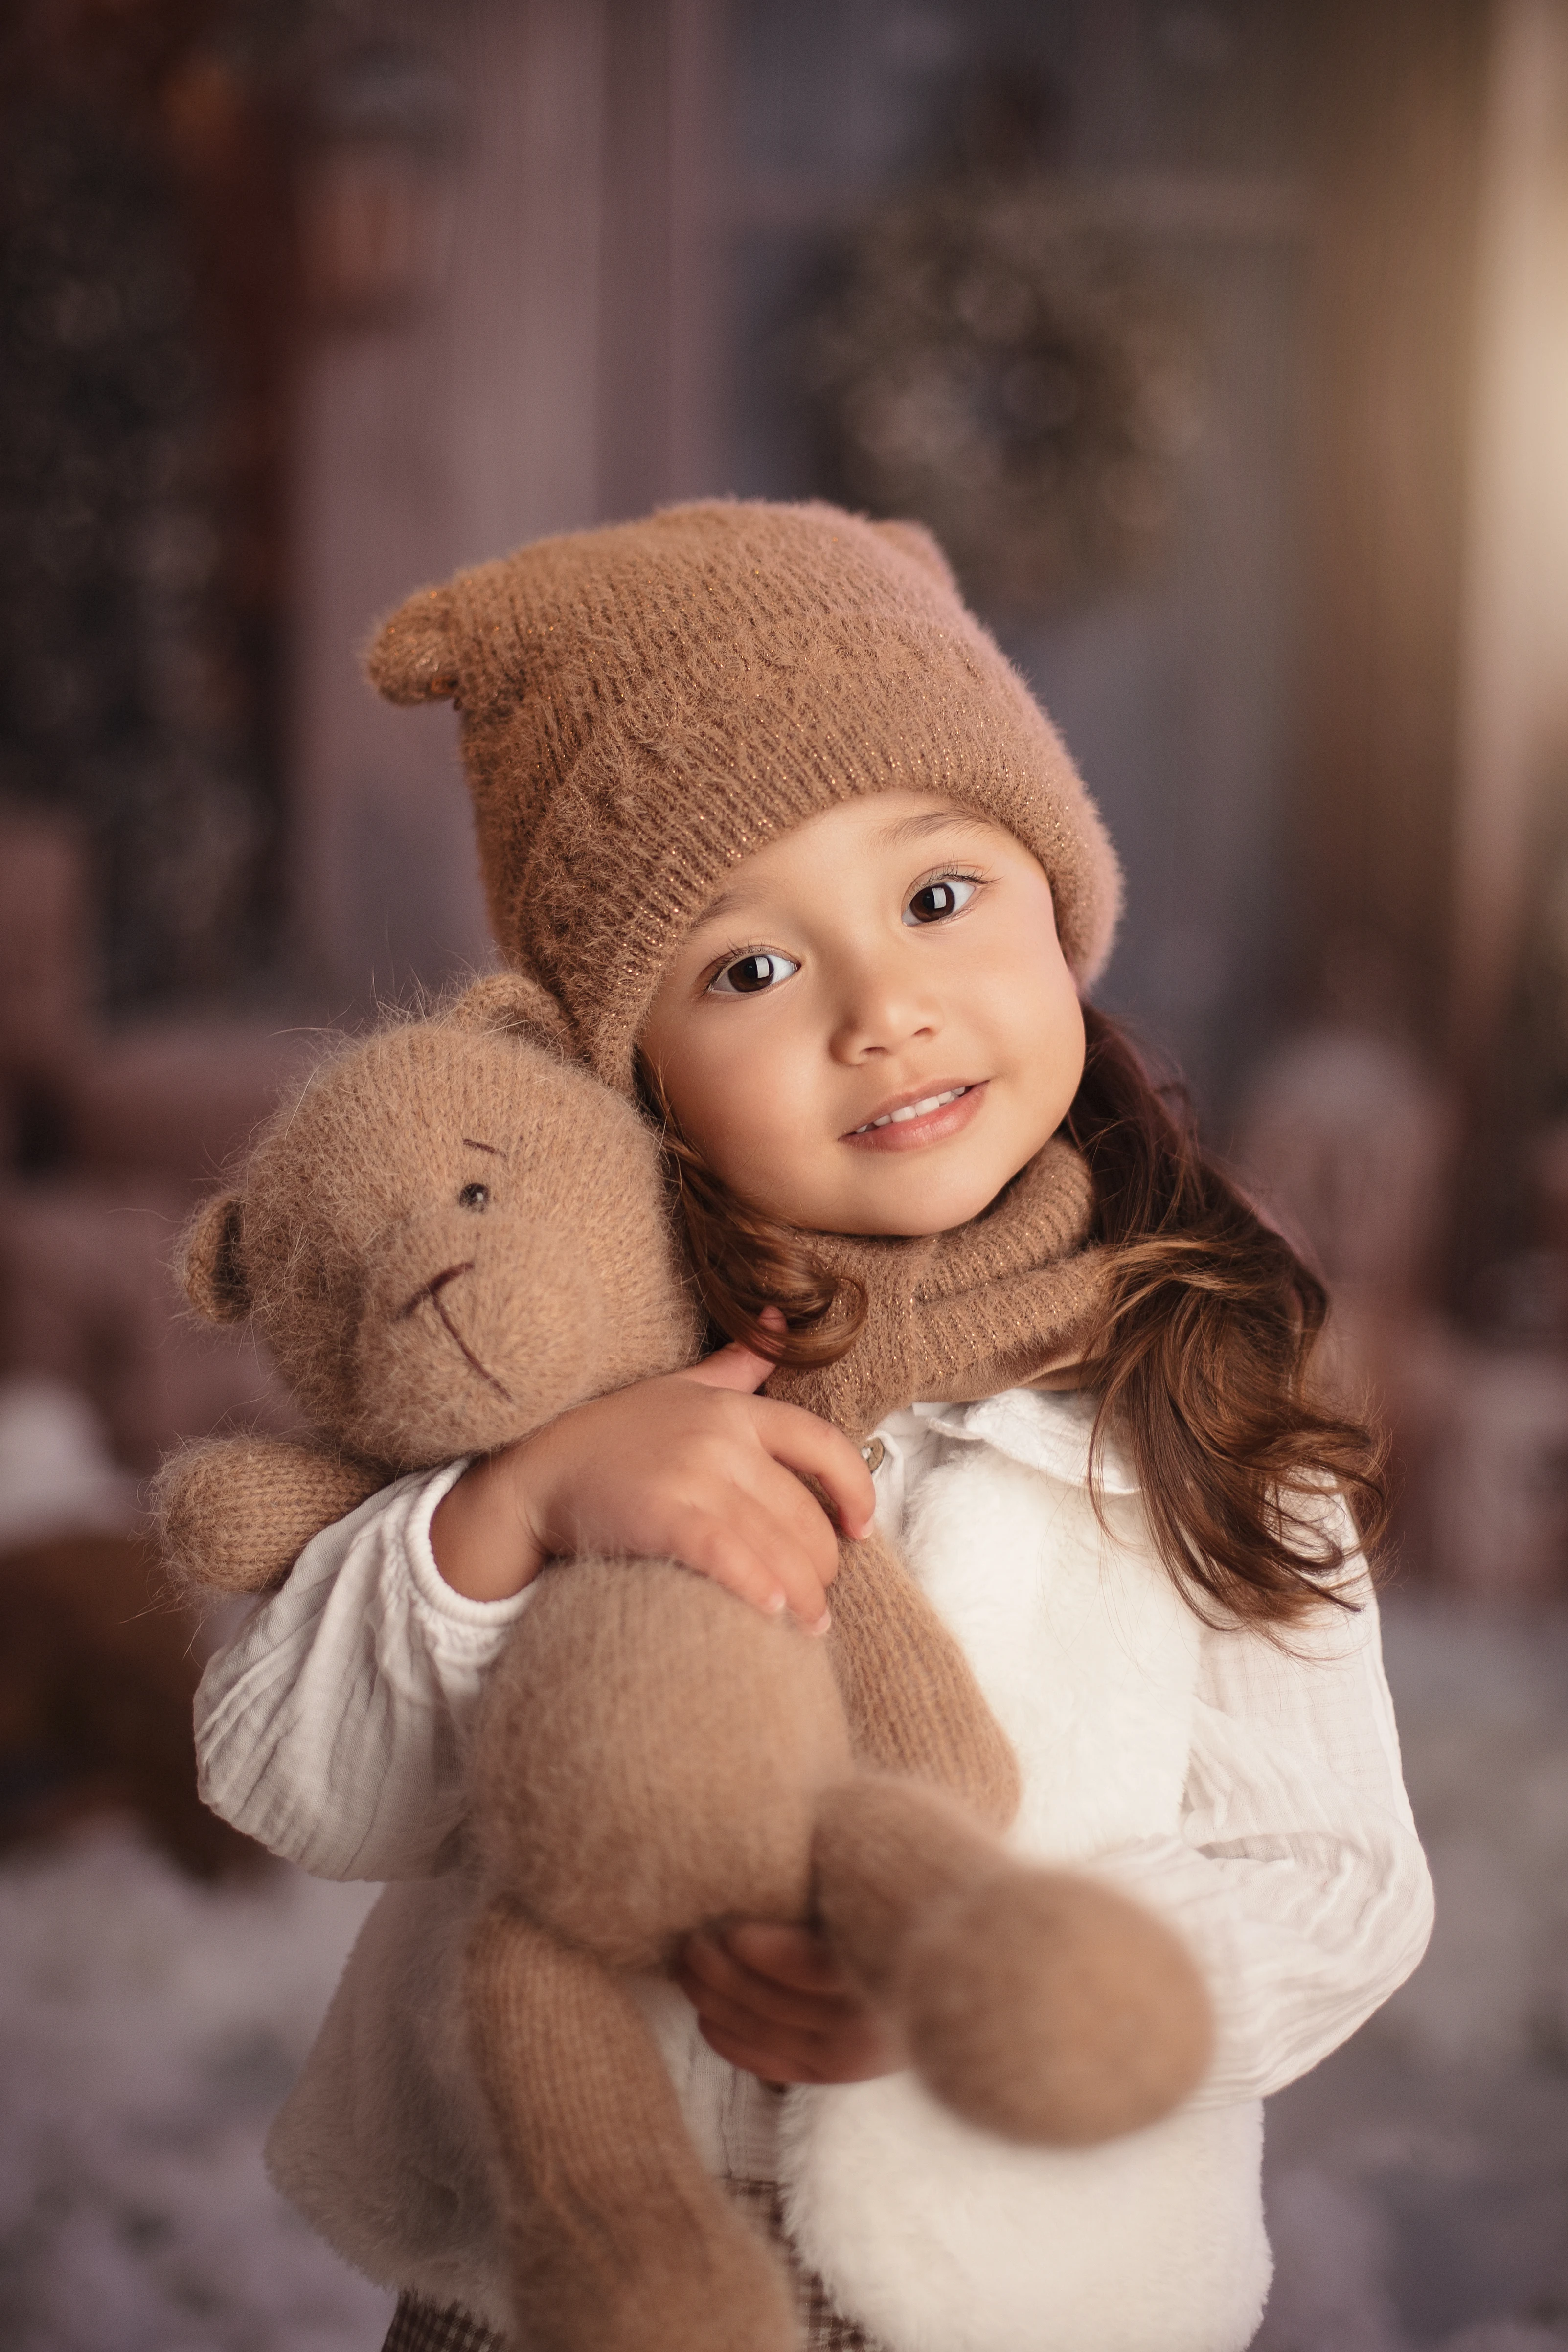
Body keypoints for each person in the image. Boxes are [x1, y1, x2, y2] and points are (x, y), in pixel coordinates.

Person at [194, 502, 1433, 2352]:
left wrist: (978, 1988)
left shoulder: (1190, 1380)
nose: (883, 1012)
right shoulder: (568, 1363)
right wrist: (514, 1508)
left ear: (1058, 902)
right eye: (748, 971)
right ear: (631, 1073)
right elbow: (294, 1781)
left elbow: (1336, 1887)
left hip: (1017, 2292)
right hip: (558, 2273)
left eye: (937, 898)